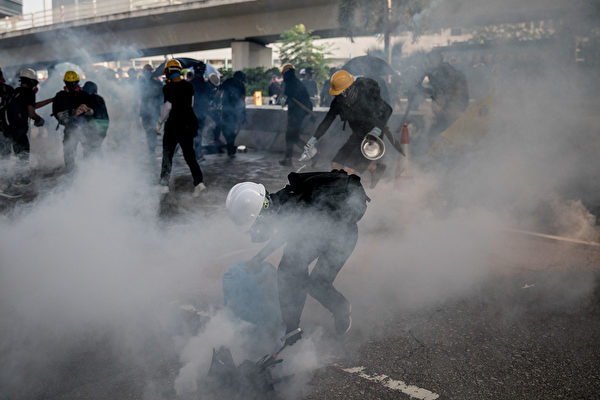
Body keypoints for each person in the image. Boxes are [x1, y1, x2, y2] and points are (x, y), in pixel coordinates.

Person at [226, 169, 370, 343]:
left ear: (261, 215)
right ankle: (294, 326)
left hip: (343, 238)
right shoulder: (280, 203)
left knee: (306, 278)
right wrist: (258, 258)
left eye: (255, 226)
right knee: (297, 271)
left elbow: (289, 264)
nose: (256, 233)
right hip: (323, 232)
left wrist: (291, 328)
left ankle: (340, 308)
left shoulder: (290, 208)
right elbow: (285, 233)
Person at [301, 70, 402, 187]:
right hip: (357, 134)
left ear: (349, 88)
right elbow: (326, 122)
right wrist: (312, 140)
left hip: (372, 136)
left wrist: (377, 130)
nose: (338, 96)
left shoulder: (366, 96)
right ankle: (375, 168)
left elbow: (388, 109)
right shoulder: (338, 102)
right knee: (336, 164)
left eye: (340, 93)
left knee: (348, 169)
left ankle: (348, 196)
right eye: (336, 94)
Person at [155, 59, 206, 196]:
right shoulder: (188, 86)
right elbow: (191, 104)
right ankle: (199, 182)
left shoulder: (168, 88)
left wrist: (159, 122)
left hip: (174, 125)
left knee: (167, 154)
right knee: (189, 155)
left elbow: (168, 107)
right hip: (189, 123)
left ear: (168, 72)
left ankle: (164, 185)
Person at [1, 68, 52, 184]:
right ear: (32, 82)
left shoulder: (16, 91)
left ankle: (7, 180)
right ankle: (20, 181)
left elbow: (31, 106)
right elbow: (31, 112)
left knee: (8, 156)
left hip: (8, 129)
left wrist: (51, 100)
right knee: (22, 156)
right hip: (19, 129)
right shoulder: (29, 92)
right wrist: (39, 119)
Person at [416, 50, 469, 154]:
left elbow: (448, 90)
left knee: (441, 133)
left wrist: (444, 107)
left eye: (432, 59)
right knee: (437, 133)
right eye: (429, 60)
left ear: (439, 59)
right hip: (445, 108)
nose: (430, 62)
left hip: (450, 108)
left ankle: (442, 155)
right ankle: (438, 155)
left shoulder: (445, 71)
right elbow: (434, 90)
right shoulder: (435, 71)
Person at [53, 70, 94, 171]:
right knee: (69, 151)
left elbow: (93, 111)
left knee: (88, 150)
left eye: (74, 83)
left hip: (85, 128)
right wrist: (68, 115)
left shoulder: (84, 95)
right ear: (65, 83)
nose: (72, 86)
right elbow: (57, 112)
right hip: (70, 128)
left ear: (77, 82)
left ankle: (89, 170)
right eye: (69, 84)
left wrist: (88, 110)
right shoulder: (60, 96)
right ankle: (70, 172)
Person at [279, 64, 313, 167]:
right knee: (291, 137)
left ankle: (313, 154)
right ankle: (288, 159)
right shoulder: (296, 82)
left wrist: (282, 97)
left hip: (296, 115)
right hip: (297, 114)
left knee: (292, 137)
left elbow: (283, 103)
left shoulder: (290, 83)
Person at [219, 70, 246, 157]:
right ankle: (231, 146)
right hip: (235, 110)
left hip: (225, 108)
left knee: (225, 128)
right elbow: (242, 99)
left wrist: (215, 103)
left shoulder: (228, 81)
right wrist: (243, 113)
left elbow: (219, 93)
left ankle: (229, 145)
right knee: (233, 128)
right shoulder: (241, 85)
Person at [139, 64, 163, 156]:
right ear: (143, 72)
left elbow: (162, 98)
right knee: (148, 130)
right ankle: (151, 147)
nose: (148, 73)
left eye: (149, 71)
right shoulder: (140, 83)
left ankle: (152, 148)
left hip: (155, 110)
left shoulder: (157, 83)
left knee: (153, 130)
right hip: (145, 111)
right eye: (146, 71)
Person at [81, 81, 109, 155]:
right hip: (104, 127)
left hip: (94, 127)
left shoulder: (88, 99)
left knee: (89, 148)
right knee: (96, 147)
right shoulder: (100, 99)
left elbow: (89, 114)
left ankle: (90, 163)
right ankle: (98, 163)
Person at [190, 62, 211, 158]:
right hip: (201, 112)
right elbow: (210, 98)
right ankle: (197, 153)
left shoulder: (190, 83)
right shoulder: (206, 85)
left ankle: (195, 152)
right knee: (198, 133)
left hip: (192, 112)